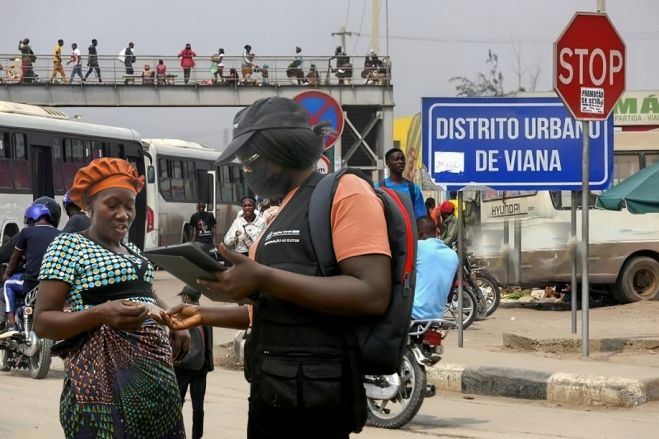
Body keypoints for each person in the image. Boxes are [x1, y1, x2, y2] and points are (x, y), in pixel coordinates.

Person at [160, 96, 392, 438]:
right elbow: (275, 307)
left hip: (318, 402)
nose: (246, 172)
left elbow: (372, 293)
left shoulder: (346, 193)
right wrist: (205, 314)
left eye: (249, 162)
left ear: (276, 154)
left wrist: (263, 276)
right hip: (273, 394)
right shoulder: (279, 210)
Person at [34, 158, 188, 438]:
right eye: (112, 205)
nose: (123, 214)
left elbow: (145, 294)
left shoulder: (131, 250)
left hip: (157, 386)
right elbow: (43, 322)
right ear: (89, 205)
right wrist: (101, 313)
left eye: (129, 206)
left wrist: (172, 320)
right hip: (102, 386)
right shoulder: (69, 245)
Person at [2, 202, 61, 332]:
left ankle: (11, 323)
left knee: (8, 285)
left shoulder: (26, 232)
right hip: (54, 284)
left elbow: (14, 257)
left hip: (31, 282)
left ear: (31, 218)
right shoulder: (60, 234)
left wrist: (7, 274)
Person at [174, 286, 214, 439]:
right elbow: (208, 342)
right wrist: (208, 363)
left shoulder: (184, 314)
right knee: (198, 407)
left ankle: (176, 434)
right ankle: (197, 436)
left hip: (184, 367)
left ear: (186, 298)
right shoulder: (206, 314)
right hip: (201, 367)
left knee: (177, 404)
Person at [412, 216, 459, 321]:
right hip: (436, 317)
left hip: (412, 314)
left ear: (420, 233)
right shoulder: (453, 255)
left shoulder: (418, 247)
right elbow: (449, 296)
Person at [375, 148, 427, 219]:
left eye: (402, 159)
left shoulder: (413, 189)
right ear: (387, 163)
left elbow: (421, 217)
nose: (401, 162)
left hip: (408, 229)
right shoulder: (378, 188)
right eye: (397, 159)